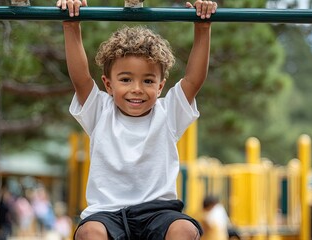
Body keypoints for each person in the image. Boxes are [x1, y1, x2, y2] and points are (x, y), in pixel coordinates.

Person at [57, 0, 217, 239]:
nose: (137, 89)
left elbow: (193, 80)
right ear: (108, 84)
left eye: (148, 81)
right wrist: (71, 24)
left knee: (184, 229)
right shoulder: (100, 110)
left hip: (158, 212)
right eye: (125, 79)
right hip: (108, 213)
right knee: (89, 232)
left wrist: (202, 27)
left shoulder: (168, 113)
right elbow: (80, 78)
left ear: (161, 86)